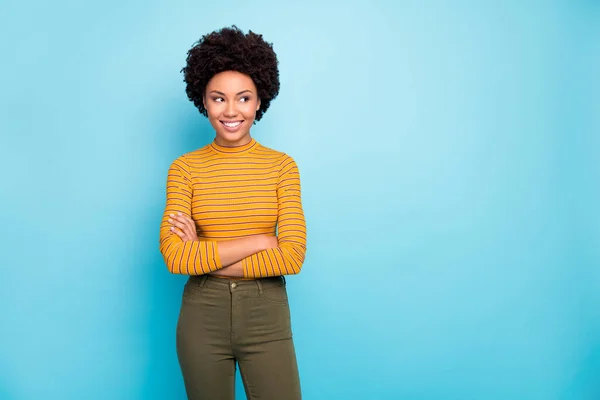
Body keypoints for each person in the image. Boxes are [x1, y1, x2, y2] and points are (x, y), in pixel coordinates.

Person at [158, 26, 306, 400]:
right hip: (201, 317)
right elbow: (176, 257)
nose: (230, 110)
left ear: (259, 101)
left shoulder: (282, 167)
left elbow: (291, 255)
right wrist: (260, 241)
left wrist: (202, 256)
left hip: (266, 314)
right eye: (218, 98)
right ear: (203, 102)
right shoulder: (184, 169)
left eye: (243, 98)